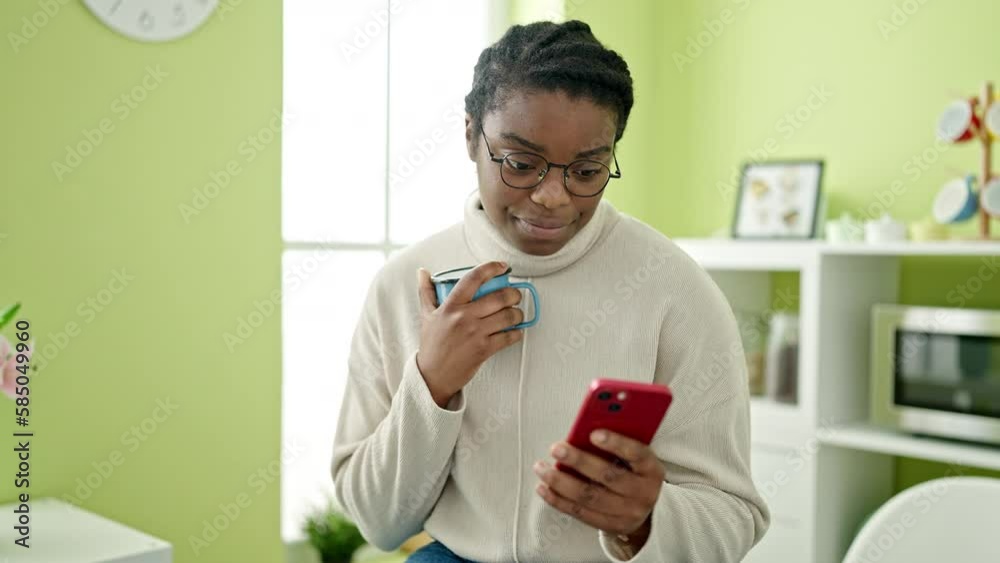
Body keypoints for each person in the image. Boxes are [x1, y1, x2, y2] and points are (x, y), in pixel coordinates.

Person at [331, 20, 769, 562]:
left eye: (587, 170)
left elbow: (734, 517)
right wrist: (432, 384)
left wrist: (646, 521)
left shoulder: (677, 293)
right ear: (471, 135)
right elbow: (378, 522)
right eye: (520, 164)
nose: (553, 197)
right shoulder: (403, 284)